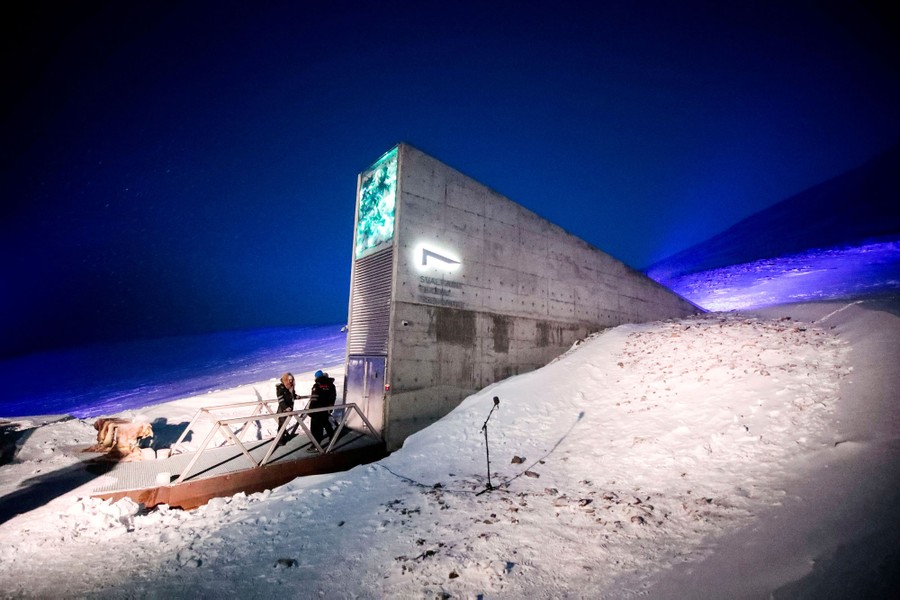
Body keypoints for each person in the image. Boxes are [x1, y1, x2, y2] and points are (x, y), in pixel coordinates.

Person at [309, 369, 336, 446]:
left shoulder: (317, 385)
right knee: (325, 422)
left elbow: (314, 398)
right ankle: (332, 437)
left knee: (315, 427)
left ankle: (316, 445)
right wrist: (331, 406)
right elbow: (333, 396)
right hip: (326, 408)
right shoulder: (330, 385)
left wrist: (310, 409)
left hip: (317, 409)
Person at [275, 372, 299, 445]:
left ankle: (283, 437)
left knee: (285, 423)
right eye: (289, 380)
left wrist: (296, 396)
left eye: (292, 379)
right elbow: (280, 399)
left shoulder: (291, 386)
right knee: (282, 424)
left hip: (289, 407)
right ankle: (279, 440)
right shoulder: (281, 387)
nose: (291, 381)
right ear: (286, 379)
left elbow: (291, 395)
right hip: (283, 409)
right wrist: (285, 407)